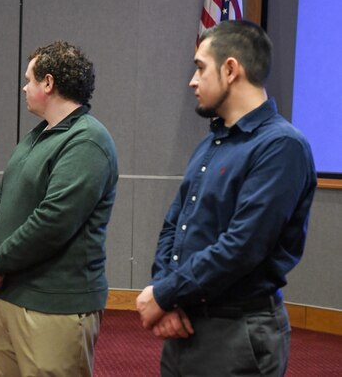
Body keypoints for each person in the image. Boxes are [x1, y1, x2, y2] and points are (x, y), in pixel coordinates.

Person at [135, 20, 317, 376]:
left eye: (200, 67)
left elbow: (242, 246)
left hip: (238, 333)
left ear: (231, 69)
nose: (192, 80)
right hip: (185, 322)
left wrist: (164, 295)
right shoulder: (212, 142)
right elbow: (175, 224)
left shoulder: (281, 146)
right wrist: (165, 293)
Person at [0, 41, 118, 377]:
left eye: (29, 79)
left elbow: (54, 222)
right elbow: (0, 200)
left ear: (48, 83)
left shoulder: (88, 141)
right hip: (8, 296)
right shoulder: (35, 137)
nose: (24, 87)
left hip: (54, 307)